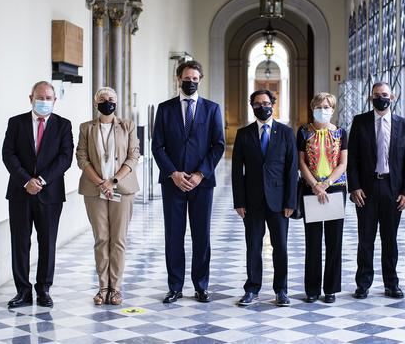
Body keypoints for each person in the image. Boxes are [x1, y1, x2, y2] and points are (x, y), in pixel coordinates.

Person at [152, 60, 225, 304]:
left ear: (200, 80)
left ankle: (201, 286)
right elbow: (157, 145)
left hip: (201, 183)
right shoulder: (165, 109)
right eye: (187, 78)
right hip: (173, 182)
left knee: (201, 235)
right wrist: (173, 173)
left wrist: (200, 174)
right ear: (178, 78)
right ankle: (175, 286)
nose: (190, 82)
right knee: (174, 235)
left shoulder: (212, 109)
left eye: (195, 79)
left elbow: (218, 145)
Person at [1, 81, 73, 308]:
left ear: (55, 100)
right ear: (30, 97)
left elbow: (65, 158)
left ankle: (43, 290)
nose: (43, 101)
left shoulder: (63, 125)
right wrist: (26, 180)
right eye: (39, 97)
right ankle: (22, 291)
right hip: (20, 193)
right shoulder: (16, 123)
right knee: (20, 243)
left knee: (47, 243)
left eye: (48, 98)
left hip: (50, 193)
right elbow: (8, 154)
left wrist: (41, 180)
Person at [347, 82, 405, 299]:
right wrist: (354, 186)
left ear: (392, 97)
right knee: (365, 239)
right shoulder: (360, 122)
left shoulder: (403, 125)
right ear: (370, 98)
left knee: (390, 239)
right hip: (366, 188)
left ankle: (391, 283)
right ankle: (363, 283)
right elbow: (353, 159)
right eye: (376, 95)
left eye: (384, 94)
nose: (381, 98)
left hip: (392, 188)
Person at [232, 90, 298, 307]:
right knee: (253, 246)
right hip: (251, 201)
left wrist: (291, 201)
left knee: (281, 247)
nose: (263, 107)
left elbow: (291, 170)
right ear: (252, 106)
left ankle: (281, 290)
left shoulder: (287, 133)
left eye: (266, 103)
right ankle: (252, 289)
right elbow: (236, 171)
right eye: (258, 103)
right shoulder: (243, 134)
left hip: (279, 202)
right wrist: (239, 201)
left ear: (273, 104)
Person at [76, 87, 140, 305]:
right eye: (102, 99)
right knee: (101, 238)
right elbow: (82, 157)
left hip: (122, 189)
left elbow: (133, 156)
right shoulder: (86, 127)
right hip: (95, 190)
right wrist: (101, 183)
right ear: (96, 103)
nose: (107, 102)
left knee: (119, 240)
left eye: (111, 99)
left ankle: (116, 288)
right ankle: (103, 287)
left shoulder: (127, 126)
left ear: (117, 102)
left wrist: (113, 181)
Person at [297, 92, 347, 304]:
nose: (323, 110)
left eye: (327, 107)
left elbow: (343, 163)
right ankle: (312, 289)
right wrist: (316, 185)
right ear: (312, 108)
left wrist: (326, 184)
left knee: (334, 241)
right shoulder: (303, 132)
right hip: (311, 189)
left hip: (336, 189)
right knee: (313, 241)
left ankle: (331, 288)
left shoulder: (341, 132)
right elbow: (301, 163)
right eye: (319, 106)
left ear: (333, 109)